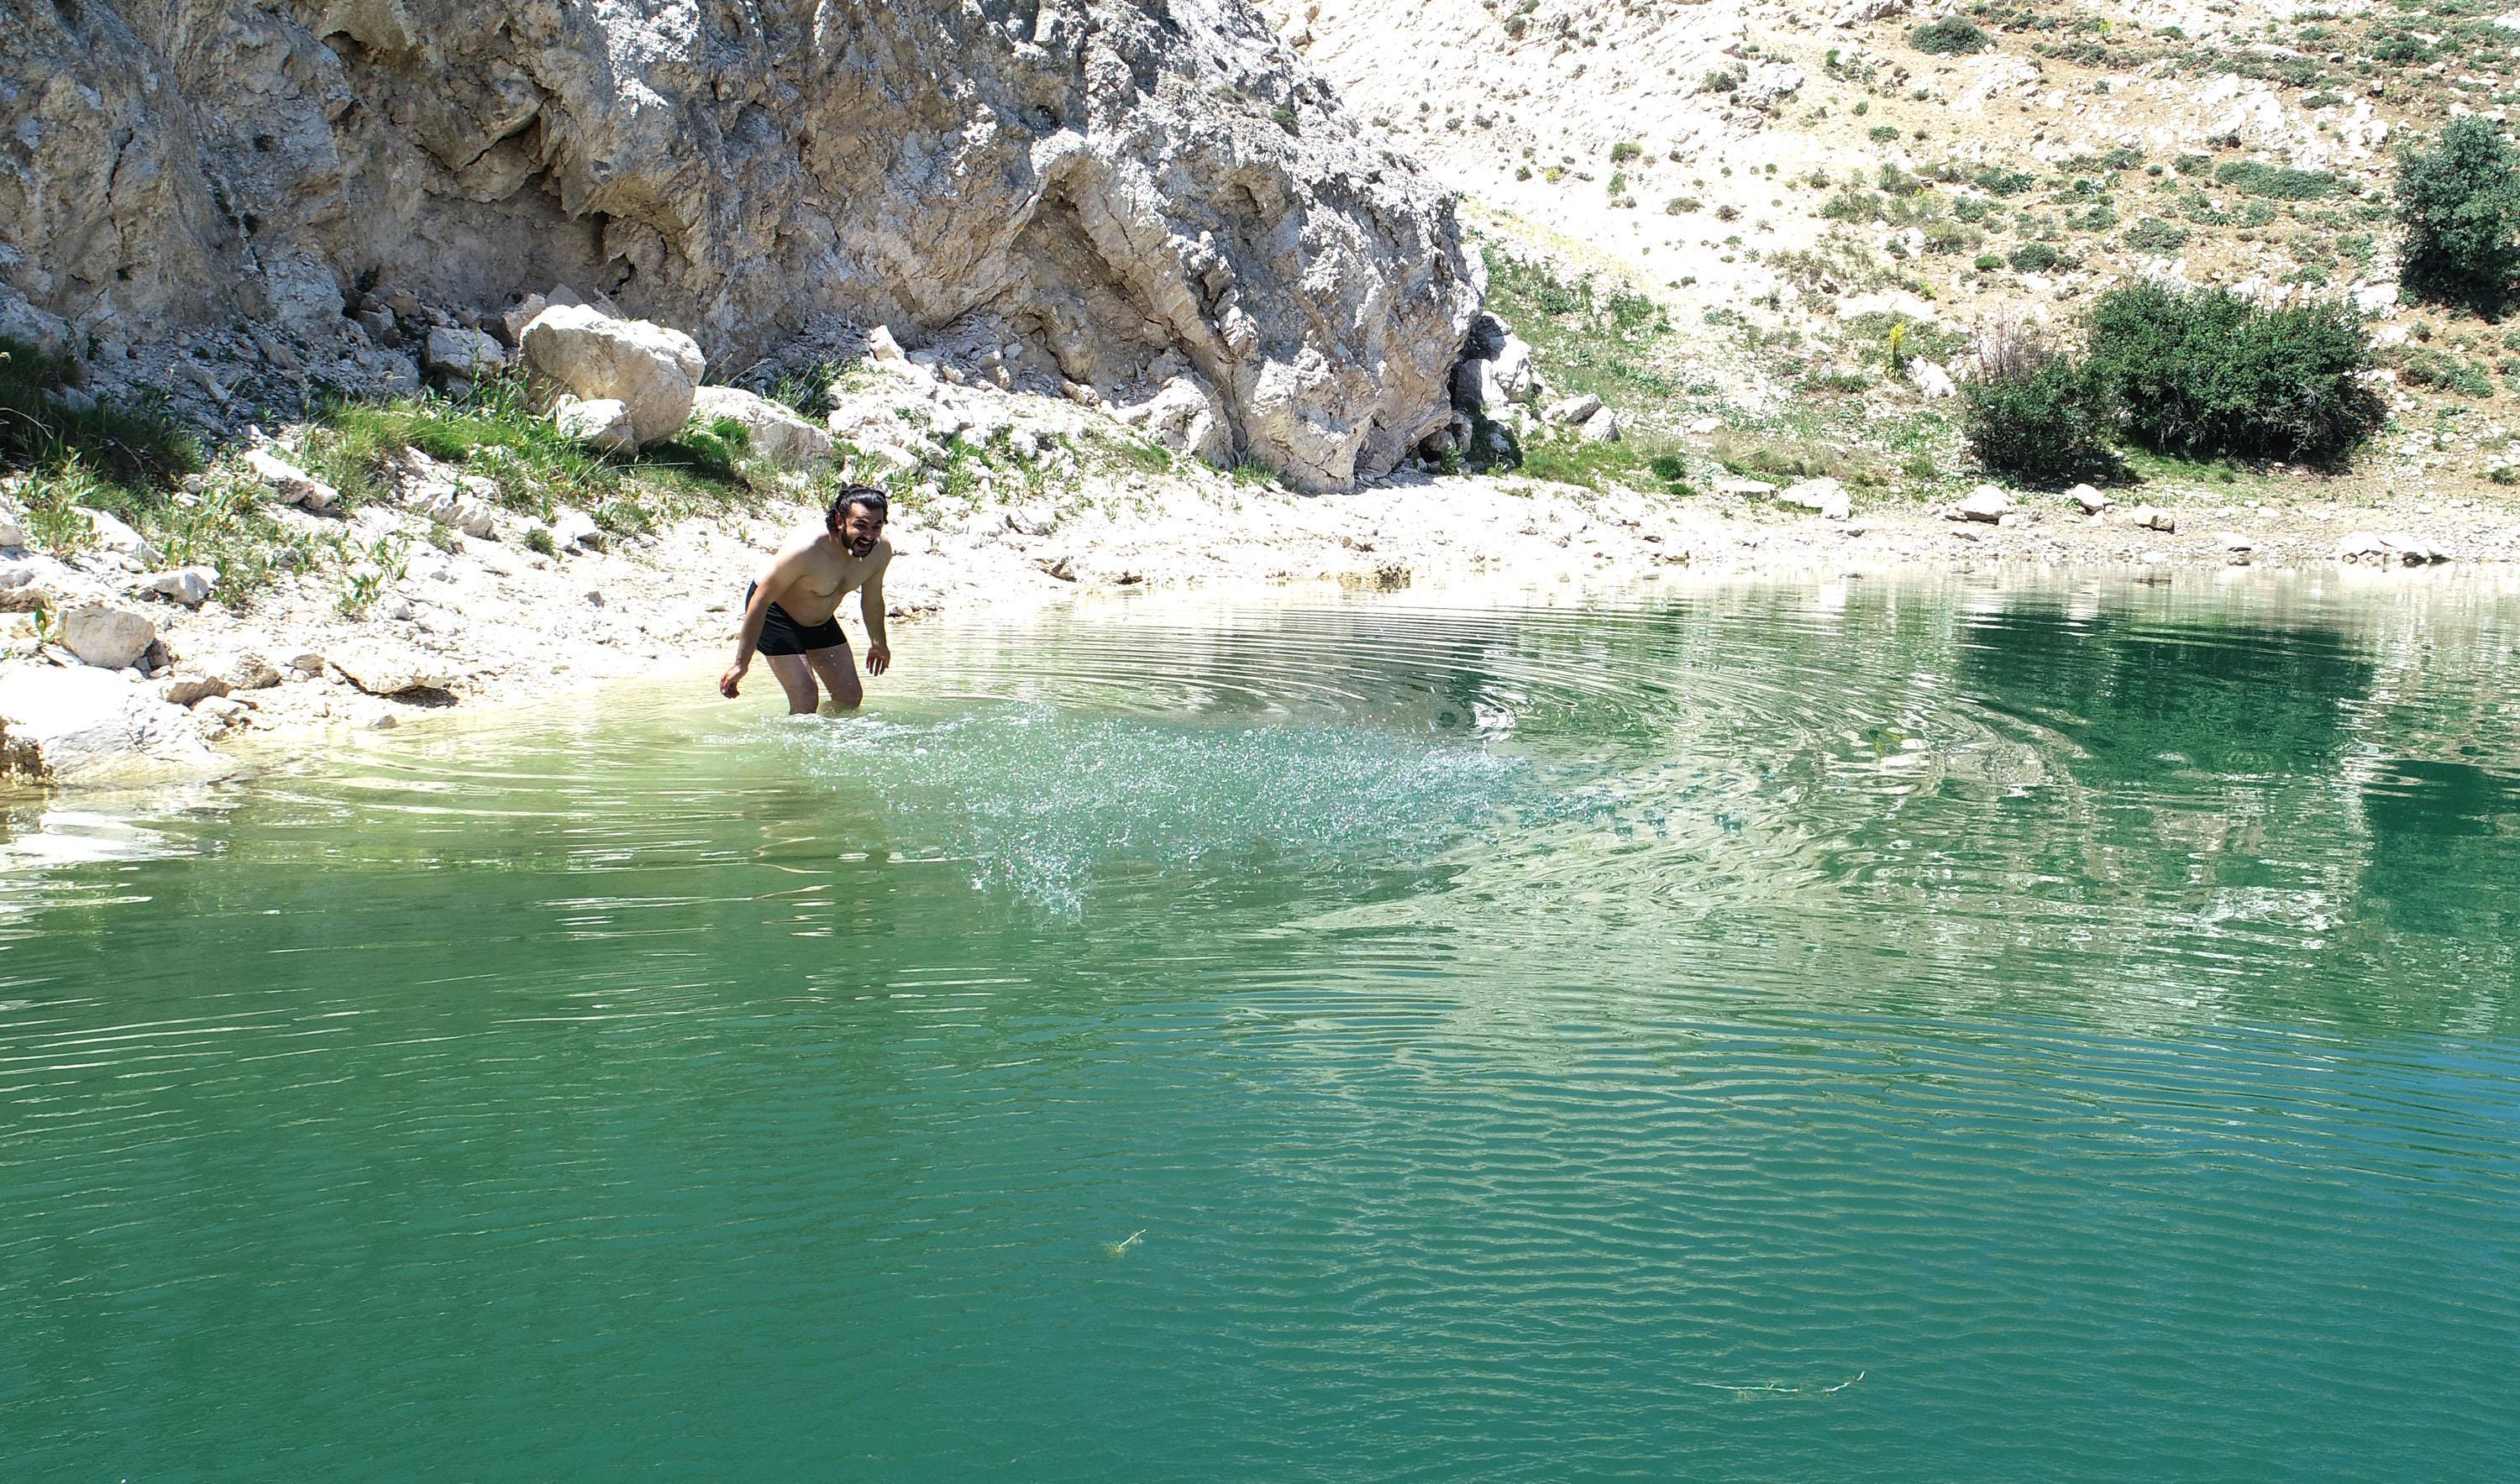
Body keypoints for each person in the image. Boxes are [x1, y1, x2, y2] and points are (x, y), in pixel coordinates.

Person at [720, 485, 893, 712]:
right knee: (806, 697)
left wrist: (878, 643)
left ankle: (830, 742)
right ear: (840, 520)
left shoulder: (880, 551)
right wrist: (741, 664)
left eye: (876, 527)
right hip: (775, 613)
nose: (868, 536)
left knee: (849, 696)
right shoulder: (808, 548)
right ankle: (790, 746)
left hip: (819, 620)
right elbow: (761, 600)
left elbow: (872, 601)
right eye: (860, 526)